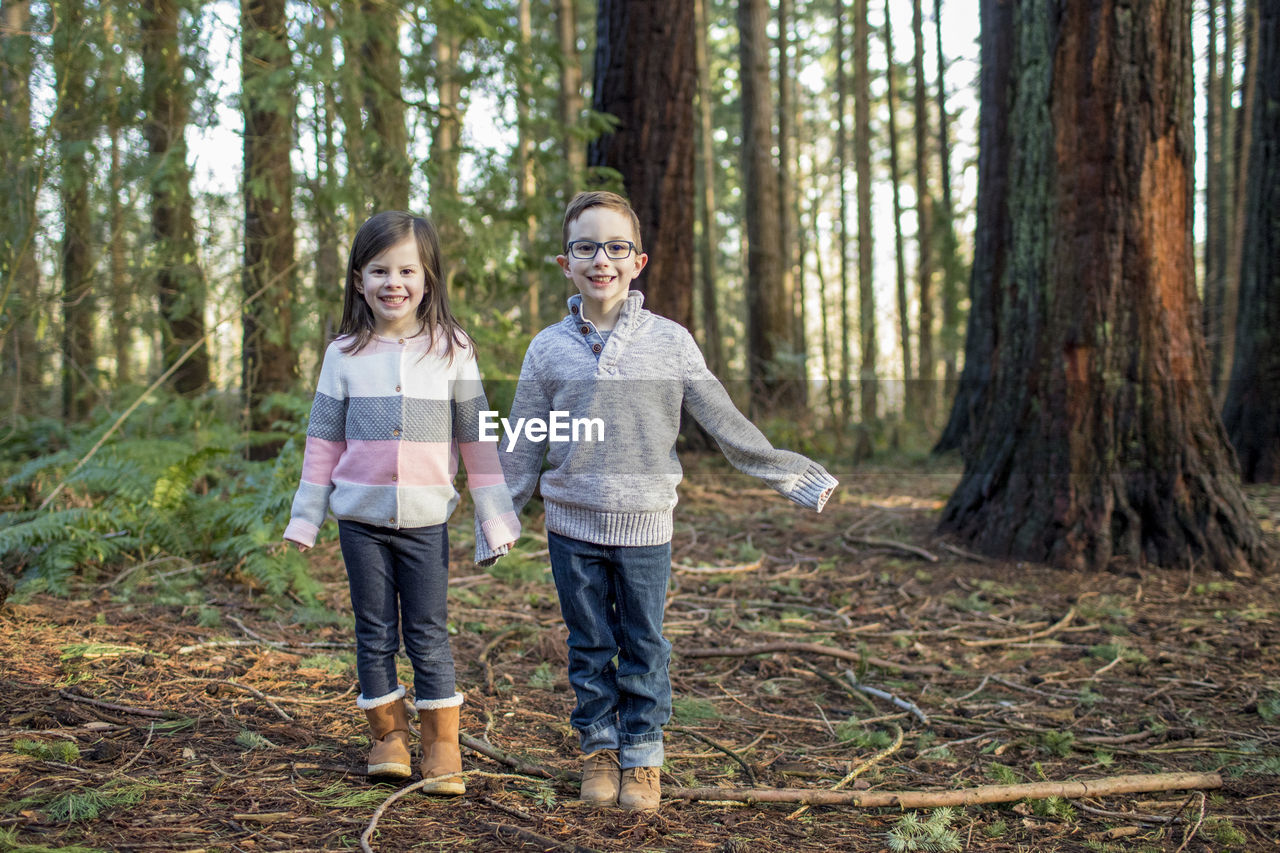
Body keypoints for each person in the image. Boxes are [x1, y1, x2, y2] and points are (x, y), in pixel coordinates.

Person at [499, 191, 837, 811]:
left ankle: (644, 753)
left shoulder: (671, 343)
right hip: (571, 521)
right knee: (588, 642)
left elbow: (723, 419)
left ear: (639, 261)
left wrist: (790, 474)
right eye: (585, 247)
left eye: (615, 247)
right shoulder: (547, 348)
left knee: (645, 642)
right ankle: (599, 749)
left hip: (647, 523)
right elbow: (524, 437)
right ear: (564, 262)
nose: (601, 259)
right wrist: (498, 514)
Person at [284, 211, 519, 794]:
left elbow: (476, 438)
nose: (394, 282)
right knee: (373, 629)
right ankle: (387, 735)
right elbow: (322, 445)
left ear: (428, 277)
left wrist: (494, 516)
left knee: (427, 630)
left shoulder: (453, 349)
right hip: (359, 521)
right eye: (379, 269)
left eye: (407, 269)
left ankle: (442, 741)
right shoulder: (344, 353)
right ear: (358, 280)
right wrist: (306, 516)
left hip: (425, 521)